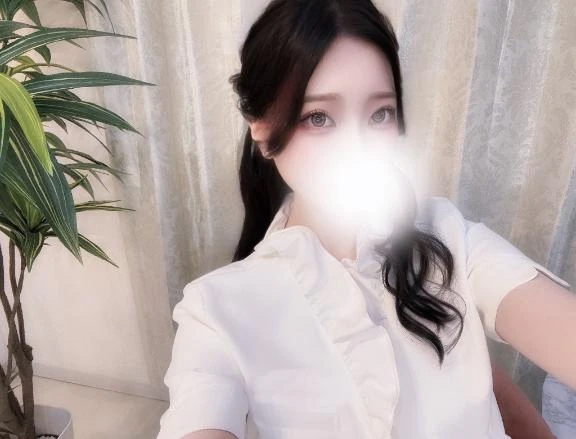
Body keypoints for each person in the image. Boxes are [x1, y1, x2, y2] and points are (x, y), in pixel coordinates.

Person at [157, 1, 575, 438]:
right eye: (319, 117)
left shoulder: (451, 238)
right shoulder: (216, 309)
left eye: (379, 114)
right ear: (260, 128)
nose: (357, 148)